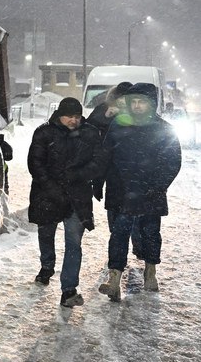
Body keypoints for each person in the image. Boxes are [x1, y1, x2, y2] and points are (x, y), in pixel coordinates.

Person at [97, 82, 182, 302]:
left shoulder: (163, 129)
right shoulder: (118, 125)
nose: (136, 106)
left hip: (150, 195)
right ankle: (114, 279)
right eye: (132, 101)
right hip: (121, 192)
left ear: (151, 104)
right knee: (118, 236)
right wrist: (98, 181)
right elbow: (105, 156)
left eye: (141, 102)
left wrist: (157, 186)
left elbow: (172, 163)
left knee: (151, 235)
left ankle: (150, 272)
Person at [27, 96, 101, 308]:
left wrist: (79, 175)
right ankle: (47, 266)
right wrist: (51, 187)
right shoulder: (44, 133)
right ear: (60, 116)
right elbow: (36, 164)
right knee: (46, 233)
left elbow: (99, 162)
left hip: (77, 197)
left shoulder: (89, 134)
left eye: (77, 116)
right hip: (48, 195)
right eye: (69, 116)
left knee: (73, 243)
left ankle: (68, 289)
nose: (73, 121)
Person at [87, 81, 143, 258]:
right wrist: (107, 117)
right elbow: (88, 130)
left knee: (134, 213)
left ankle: (136, 244)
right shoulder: (104, 110)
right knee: (115, 214)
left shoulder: (140, 115)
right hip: (111, 172)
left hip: (136, 173)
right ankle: (118, 250)